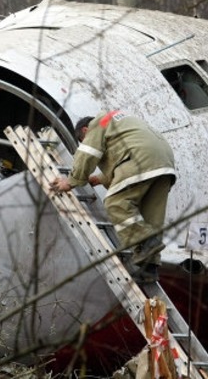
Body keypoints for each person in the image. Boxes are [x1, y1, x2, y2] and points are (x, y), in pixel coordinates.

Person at [50, 110, 176, 283]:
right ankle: (149, 270)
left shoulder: (99, 123)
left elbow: (89, 153)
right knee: (150, 217)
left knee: (115, 203)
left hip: (141, 158)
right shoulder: (121, 121)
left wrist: (70, 181)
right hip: (164, 163)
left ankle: (145, 239)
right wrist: (99, 179)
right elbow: (122, 154)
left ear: (85, 131)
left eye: (82, 140)